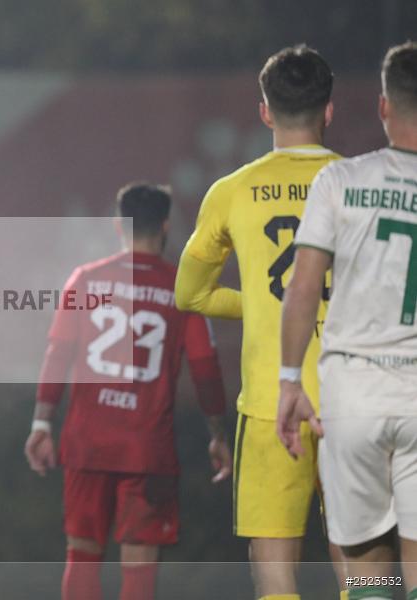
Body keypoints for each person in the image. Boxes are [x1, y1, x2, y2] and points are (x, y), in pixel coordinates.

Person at [175, 45, 347, 600]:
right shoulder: (361, 184)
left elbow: (189, 294)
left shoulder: (230, 190)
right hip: (353, 397)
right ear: (328, 111)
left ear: (265, 112)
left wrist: (264, 304)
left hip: (272, 404)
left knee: (272, 562)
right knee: (363, 554)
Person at [25, 182, 232, 600]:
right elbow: (205, 369)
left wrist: (42, 423)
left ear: (119, 225)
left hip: (88, 443)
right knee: (139, 564)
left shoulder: (86, 279)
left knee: (82, 555)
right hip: (147, 449)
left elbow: (57, 354)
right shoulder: (182, 288)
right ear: (167, 225)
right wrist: (218, 434)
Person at [278, 41, 417, 600]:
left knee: (366, 573)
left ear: (383, 105)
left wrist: (290, 381)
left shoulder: (339, 181)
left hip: (354, 393)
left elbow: (303, 286)